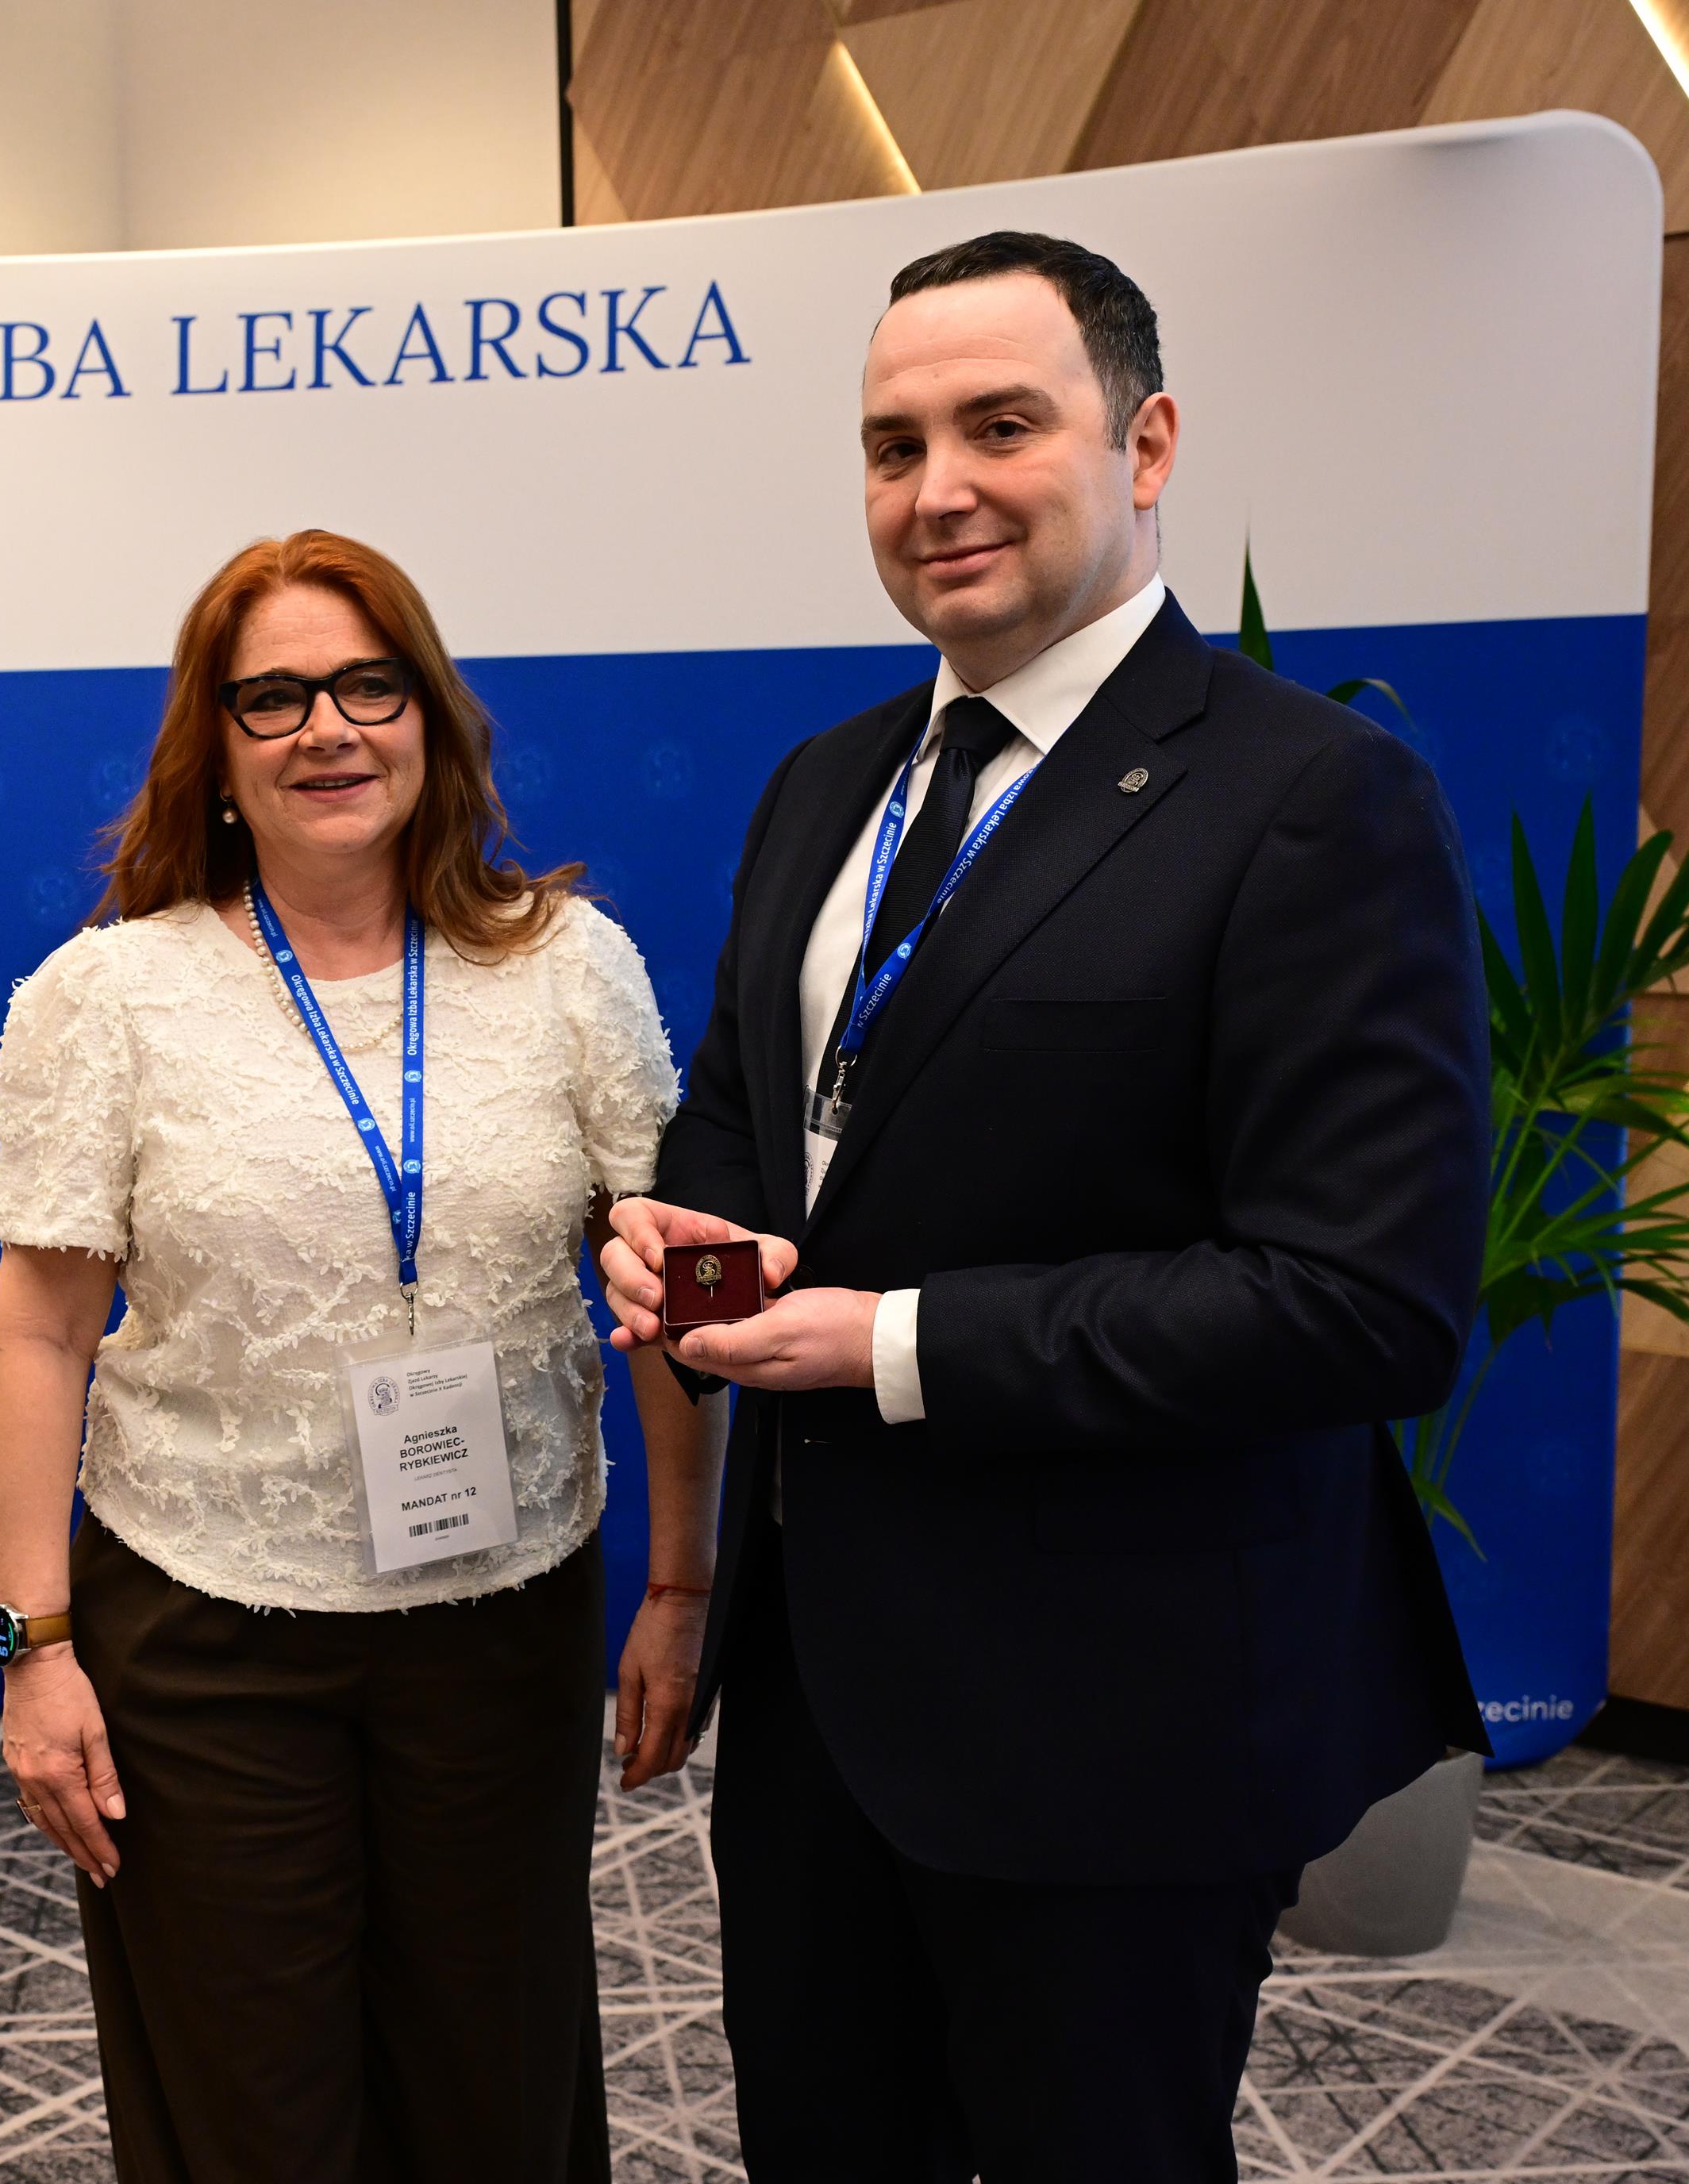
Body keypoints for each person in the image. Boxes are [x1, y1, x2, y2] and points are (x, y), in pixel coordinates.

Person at [598, 233, 1492, 2180]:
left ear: (1146, 442)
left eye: (1002, 425)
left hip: (1120, 1714)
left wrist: (891, 1342)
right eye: (892, 444)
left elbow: (1368, 1297)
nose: (939, 489)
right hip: (818, 1691)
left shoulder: (1312, 797)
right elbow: (752, 1116)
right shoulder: (822, 783)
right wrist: (688, 1239)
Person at [0, 529, 716, 2180]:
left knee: (492, 2084)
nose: (328, 727)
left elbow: (666, 1296)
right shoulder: (111, 996)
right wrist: (32, 1649)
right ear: (216, 746)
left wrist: (682, 1582)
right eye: (275, 697)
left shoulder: (569, 966)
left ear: (431, 717)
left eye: (370, 684)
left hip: (506, 1613)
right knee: (257, 2109)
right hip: (206, 1625)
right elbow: (39, 1334)